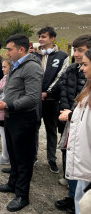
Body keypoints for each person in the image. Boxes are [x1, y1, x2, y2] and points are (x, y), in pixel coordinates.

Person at [0, 34, 43, 212]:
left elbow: (33, 98)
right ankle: (13, 183)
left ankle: (22, 195)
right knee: (13, 154)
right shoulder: (15, 65)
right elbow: (11, 88)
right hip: (11, 115)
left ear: (22, 49)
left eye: (10, 49)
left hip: (24, 119)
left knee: (23, 159)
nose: (7, 52)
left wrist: (9, 105)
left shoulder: (32, 68)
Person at [54, 35, 90, 214]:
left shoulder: (88, 73)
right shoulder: (72, 70)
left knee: (81, 159)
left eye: (80, 50)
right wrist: (66, 110)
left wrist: (72, 115)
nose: (76, 54)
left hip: (80, 123)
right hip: (68, 119)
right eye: (74, 50)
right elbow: (64, 91)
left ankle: (80, 201)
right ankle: (71, 194)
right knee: (68, 153)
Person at [34, 27, 69, 174]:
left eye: (44, 37)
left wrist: (47, 93)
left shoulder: (62, 56)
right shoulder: (34, 56)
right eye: (40, 37)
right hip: (35, 99)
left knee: (51, 130)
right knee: (33, 128)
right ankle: (33, 156)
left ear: (52, 38)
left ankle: (52, 159)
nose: (41, 39)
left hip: (52, 100)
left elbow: (61, 77)